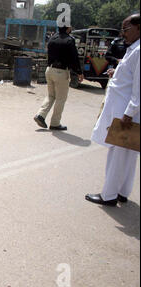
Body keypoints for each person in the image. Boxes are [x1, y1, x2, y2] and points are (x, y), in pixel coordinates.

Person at [86, 13, 140, 206]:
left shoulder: (139, 50)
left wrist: (129, 112)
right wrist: (116, 72)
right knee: (128, 153)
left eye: (126, 29)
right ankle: (123, 192)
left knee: (117, 153)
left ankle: (109, 195)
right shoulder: (133, 48)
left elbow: (139, 87)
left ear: (139, 27)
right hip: (128, 110)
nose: (123, 33)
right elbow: (131, 77)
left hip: (125, 113)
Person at [34, 26, 84, 131]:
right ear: (68, 28)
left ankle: (40, 115)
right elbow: (74, 57)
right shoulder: (69, 40)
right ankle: (55, 123)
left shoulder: (52, 38)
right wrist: (79, 72)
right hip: (61, 72)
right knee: (61, 98)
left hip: (49, 70)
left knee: (51, 95)